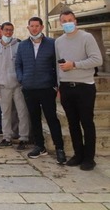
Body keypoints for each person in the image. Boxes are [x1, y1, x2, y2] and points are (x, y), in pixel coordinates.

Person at [55, 10, 103, 171]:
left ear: (75, 21)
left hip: (84, 86)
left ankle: (89, 158)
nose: (67, 23)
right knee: (72, 123)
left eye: (70, 20)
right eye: (64, 20)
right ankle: (78, 154)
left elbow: (97, 59)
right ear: (60, 23)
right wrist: (59, 85)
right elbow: (57, 65)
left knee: (87, 122)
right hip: (66, 87)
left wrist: (74, 64)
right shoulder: (59, 41)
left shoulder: (86, 37)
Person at [16, 17, 66, 164]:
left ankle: (59, 148)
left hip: (46, 88)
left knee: (52, 118)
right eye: (32, 26)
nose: (34, 29)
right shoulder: (23, 45)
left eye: (37, 26)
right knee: (35, 118)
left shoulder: (52, 44)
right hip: (29, 88)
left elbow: (58, 65)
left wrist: (57, 84)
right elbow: (18, 64)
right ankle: (40, 146)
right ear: (28, 28)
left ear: (42, 27)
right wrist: (22, 79)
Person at [0, 22, 30, 151]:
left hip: (18, 86)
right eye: (6, 30)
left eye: (11, 30)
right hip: (3, 86)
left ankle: (24, 138)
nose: (8, 33)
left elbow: (23, 65)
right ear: (1, 31)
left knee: (22, 112)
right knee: (5, 114)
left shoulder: (19, 46)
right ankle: (7, 137)